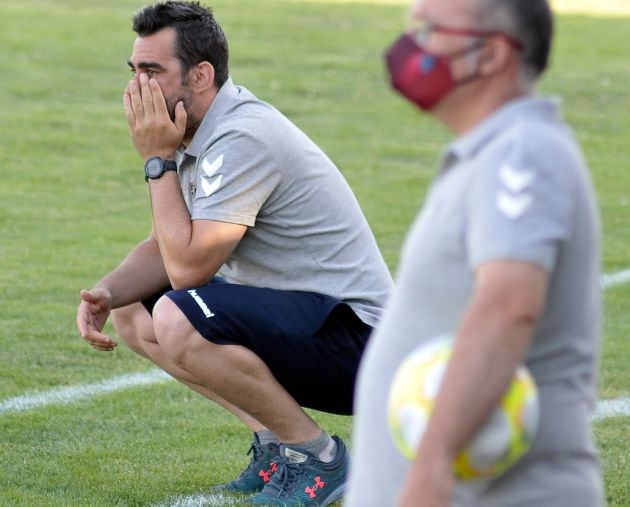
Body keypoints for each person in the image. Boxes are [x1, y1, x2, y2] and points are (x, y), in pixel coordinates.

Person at [75, 1, 393, 505]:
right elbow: (168, 247)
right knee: (135, 309)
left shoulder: (241, 137)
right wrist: (108, 293)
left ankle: (319, 458)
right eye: (134, 71)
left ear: (200, 75)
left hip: (362, 348)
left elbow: (189, 270)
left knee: (179, 315)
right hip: (305, 324)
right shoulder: (194, 131)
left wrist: (156, 161)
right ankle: (275, 448)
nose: (136, 88)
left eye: (152, 71)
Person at [345, 0, 604, 506]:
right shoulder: (491, 153)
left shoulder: (522, 151)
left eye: (428, 29)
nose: (409, 46)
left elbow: (509, 307)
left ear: (489, 55)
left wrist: (432, 466)